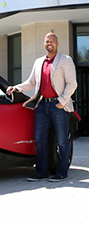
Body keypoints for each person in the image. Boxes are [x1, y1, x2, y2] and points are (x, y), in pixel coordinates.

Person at [6, 33, 77, 182]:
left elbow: (72, 84)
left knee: (62, 141)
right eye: (47, 41)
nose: (49, 43)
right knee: (39, 139)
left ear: (57, 44)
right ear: (44, 44)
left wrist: (61, 102)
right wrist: (17, 88)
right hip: (42, 105)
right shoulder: (39, 62)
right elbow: (31, 82)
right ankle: (41, 172)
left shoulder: (65, 60)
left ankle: (62, 172)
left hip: (59, 106)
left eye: (52, 41)